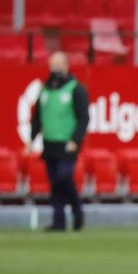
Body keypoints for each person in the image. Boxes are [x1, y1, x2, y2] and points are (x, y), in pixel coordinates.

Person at [28, 52, 89, 232]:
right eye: (51, 65)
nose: (54, 69)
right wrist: (31, 139)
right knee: (54, 183)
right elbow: (37, 116)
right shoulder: (45, 89)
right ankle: (59, 220)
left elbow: (83, 118)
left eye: (57, 65)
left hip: (67, 143)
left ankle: (77, 210)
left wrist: (76, 140)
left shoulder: (76, 89)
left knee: (64, 177)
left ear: (66, 66)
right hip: (50, 143)